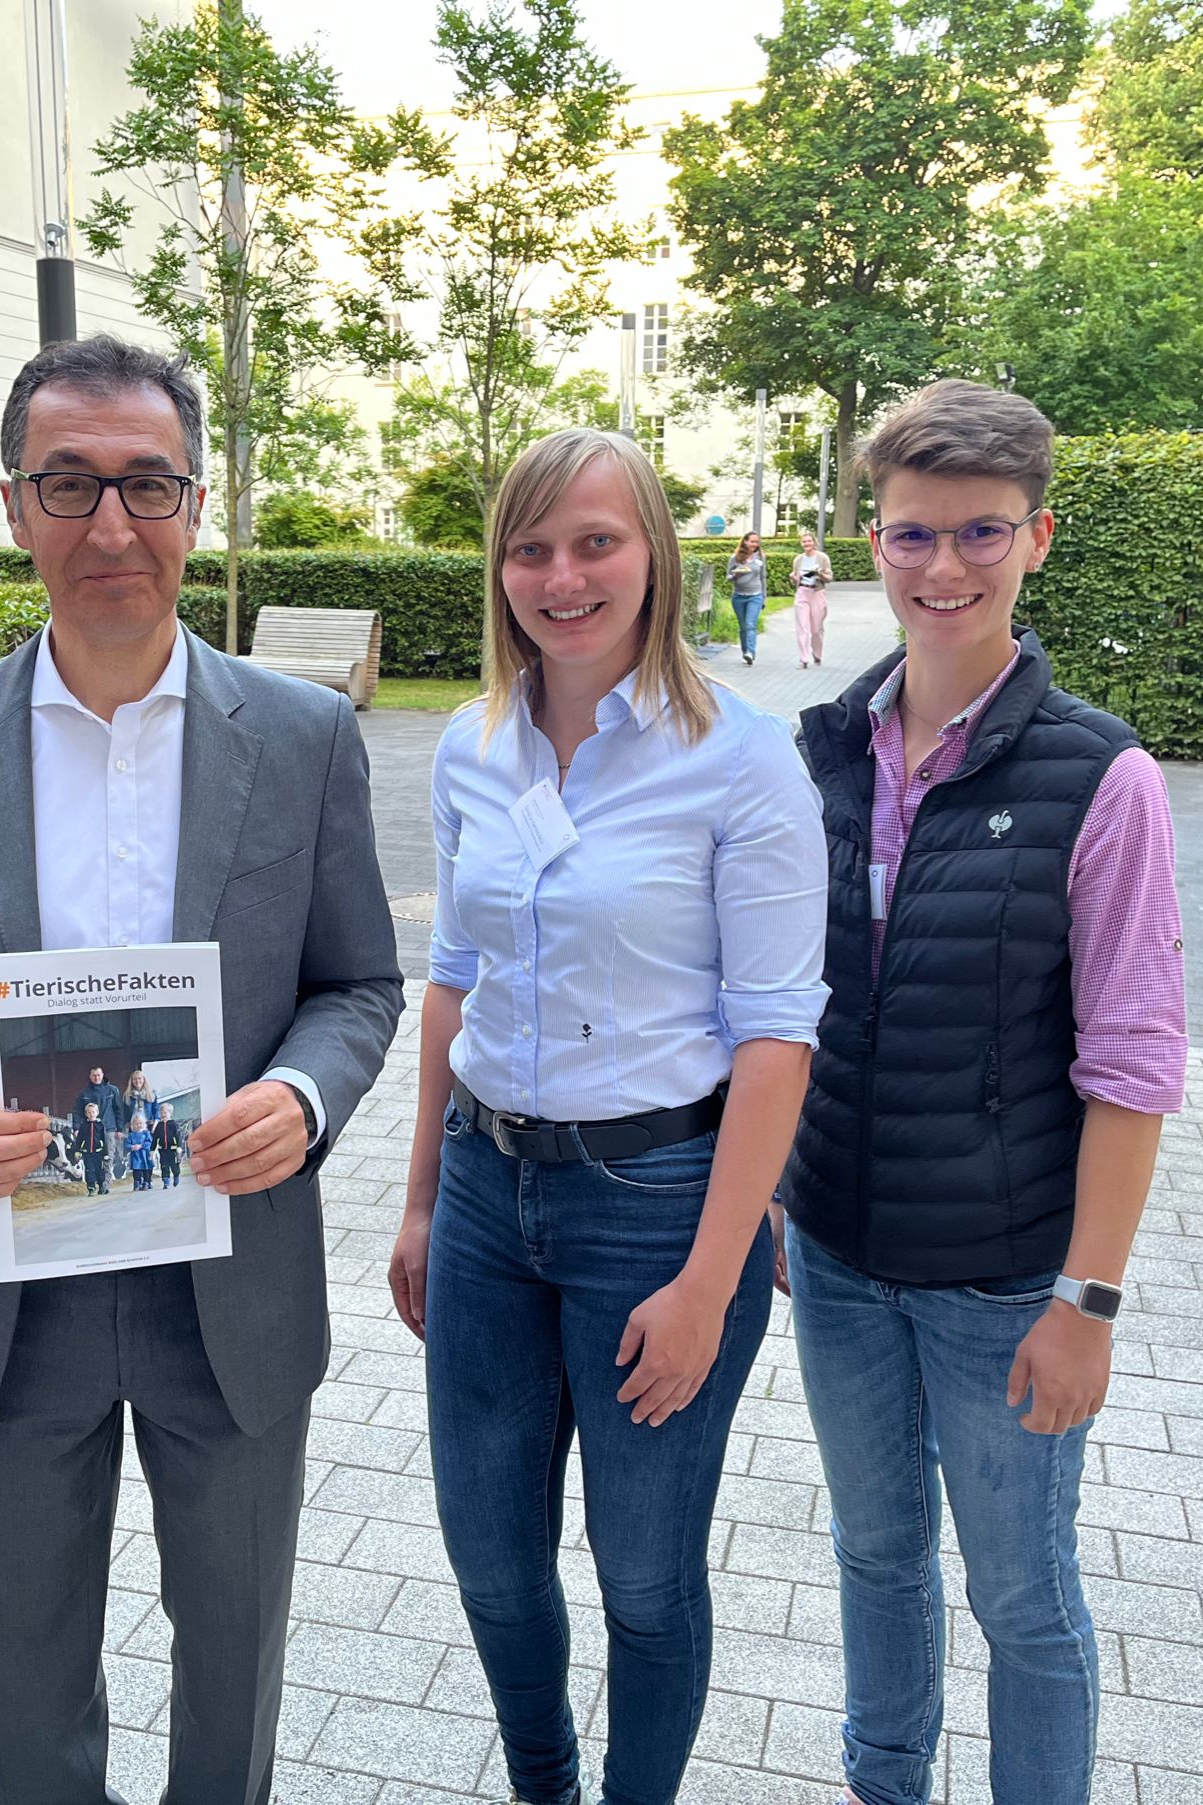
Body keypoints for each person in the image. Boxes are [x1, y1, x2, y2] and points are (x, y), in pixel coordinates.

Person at [0, 334, 403, 1805]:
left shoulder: (303, 737)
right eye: (69, 485)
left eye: (145, 484)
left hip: (229, 1280)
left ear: (196, 504)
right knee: (31, 1679)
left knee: (235, 1668)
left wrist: (302, 1095)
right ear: (16, 507)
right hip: (12, 1287)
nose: (110, 524)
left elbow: (358, 981)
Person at [388, 427, 830, 1805]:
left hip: (659, 1207)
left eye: (595, 542)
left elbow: (776, 1039)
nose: (561, 575)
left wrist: (713, 1277)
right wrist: (416, 1202)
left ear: (656, 557)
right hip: (482, 1194)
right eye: (530, 547)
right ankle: (544, 1786)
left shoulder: (741, 759)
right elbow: (452, 980)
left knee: (643, 1574)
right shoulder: (471, 745)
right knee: (494, 1563)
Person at [774, 380, 1187, 1805]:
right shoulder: (823, 750)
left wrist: (1089, 1301)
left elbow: (1133, 1068)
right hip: (835, 1258)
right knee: (874, 1559)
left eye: (981, 533)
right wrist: (781, 1200)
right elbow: (788, 1011)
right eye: (911, 535)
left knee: (1023, 1599)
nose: (944, 567)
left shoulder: (1104, 777)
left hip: (1005, 1285)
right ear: (870, 542)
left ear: (1039, 538)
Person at [75, 1064, 126, 1180]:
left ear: (102, 1075)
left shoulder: (112, 1090)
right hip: (90, 1130)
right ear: (90, 1076)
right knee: (93, 1158)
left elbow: (118, 1110)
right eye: (94, 1075)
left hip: (108, 1128)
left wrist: (119, 1128)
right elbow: (77, 1111)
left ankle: (105, 1183)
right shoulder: (84, 1093)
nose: (96, 1078)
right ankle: (96, 1181)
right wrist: (76, 1127)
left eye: (98, 1075)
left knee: (108, 1157)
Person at [791, 529, 833, 668]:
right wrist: (793, 578)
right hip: (802, 592)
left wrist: (819, 574)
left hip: (817, 593)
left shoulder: (822, 558)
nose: (807, 543)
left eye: (809, 541)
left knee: (816, 629)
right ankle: (803, 659)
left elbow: (829, 578)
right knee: (803, 627)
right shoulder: (798, 559)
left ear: (814, 543)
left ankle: (817, 654)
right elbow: (796, 579)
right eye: (804, 541)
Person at [726, 530, 766, 664]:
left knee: (750, 624)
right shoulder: (735, 558)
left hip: (755, 595)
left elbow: (763, 578)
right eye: (752, 541)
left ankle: (750, 652)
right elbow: (728, 577)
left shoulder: (760, 558)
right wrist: (735, 575)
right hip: (739, 596)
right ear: (745, 541)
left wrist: (763, 598)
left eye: (756, 542)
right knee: (743, 626)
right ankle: (745, 652)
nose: (755, 544)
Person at [77, 1102, 111, 1196]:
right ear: (86, 1114)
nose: (91, 1114)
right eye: (89, 1112)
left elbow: (104, 1140)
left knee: (99, 1170)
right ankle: (91, 1187)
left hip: (98, 1152)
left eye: (93, 1112)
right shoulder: (83, 1126)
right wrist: (77, 1150)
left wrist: (105, 1153)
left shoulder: (100, 1125)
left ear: (97, 1113)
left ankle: (101, 1186)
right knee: (89, 1170)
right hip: (87, 1153)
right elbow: (79, 1139)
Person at [153, 1102, 186, 1188]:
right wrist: (152, 1150)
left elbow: (178, 1136)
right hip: (163, 1150)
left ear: (170, 1113)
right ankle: (166, 1182)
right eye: (161, 1113)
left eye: (165, 1112)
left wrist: (179, 1147)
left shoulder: (173, 1124)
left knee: (174, 1166)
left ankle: (176, 1176)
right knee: (164, 1166)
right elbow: (155, 1138)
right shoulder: (159, 1126)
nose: (163, 1114)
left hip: (173, 1150)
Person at [126, 1111, 155, 1191]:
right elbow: (127, 1145)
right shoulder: (131, 1135)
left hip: (145, 1154)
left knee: (146, 1168)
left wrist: (141, 1146)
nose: (138, 1125)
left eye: (140, 1123)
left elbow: (149, 1142)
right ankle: (137, 1183)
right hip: (136, 1155)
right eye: (136, 1124)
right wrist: (132, 1147)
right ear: (132, 1125)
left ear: (144, 1124)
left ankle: (146, 1182)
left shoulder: (146, 1133)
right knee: (136, 1169)